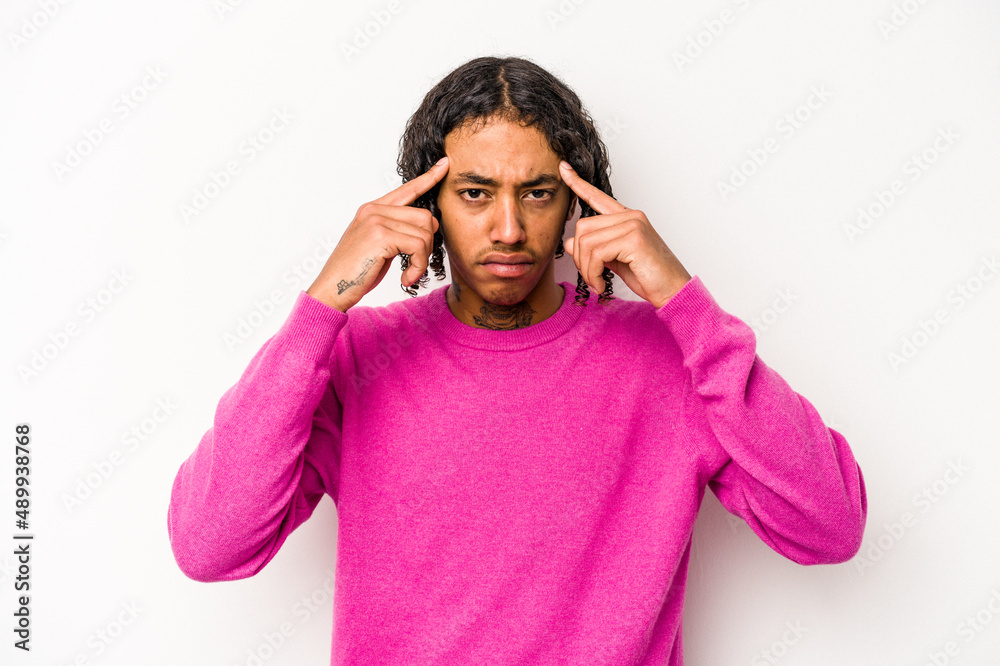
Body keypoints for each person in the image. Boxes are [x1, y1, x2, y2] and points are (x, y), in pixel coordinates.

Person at [167, 55, 867, 665]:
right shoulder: (358, 358)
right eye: (475, 193)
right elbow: (210, 545)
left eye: (537, 193)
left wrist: (682, 301)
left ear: (575, 204)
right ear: (426, 203)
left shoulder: (669, 358)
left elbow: (829, 525)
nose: (508, 228)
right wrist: (321, 308)